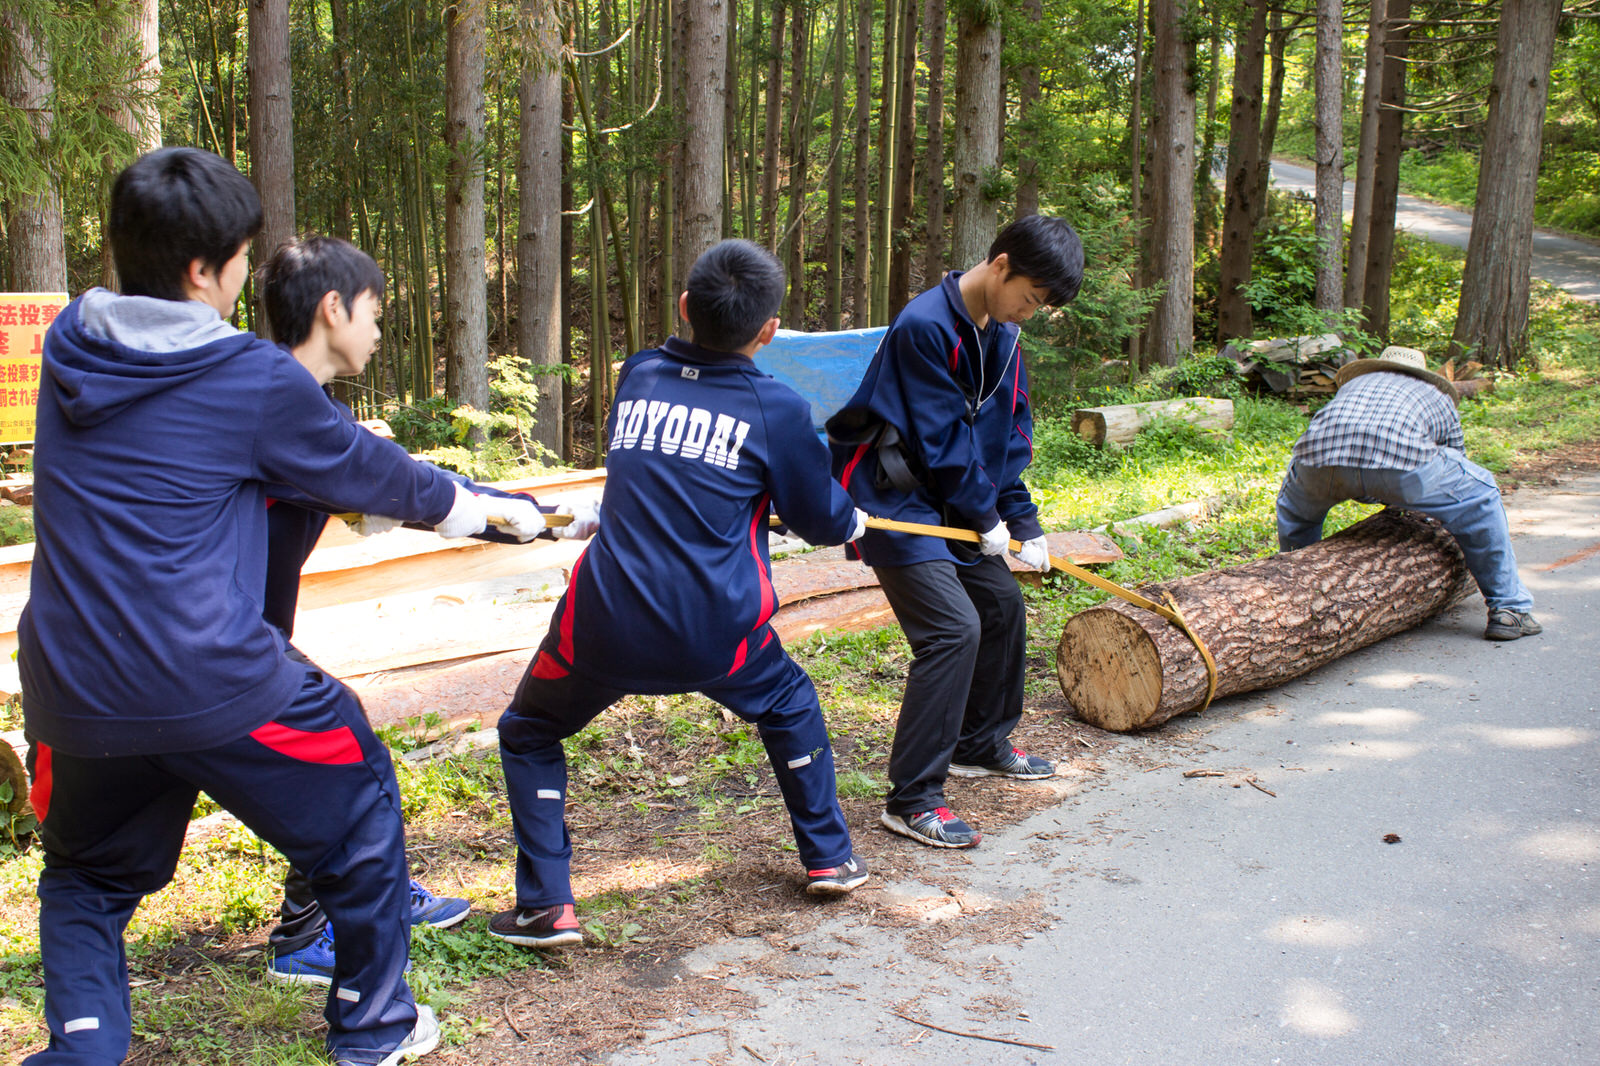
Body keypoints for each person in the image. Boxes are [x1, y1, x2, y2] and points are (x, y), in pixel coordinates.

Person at [19, 148, 531, 1066]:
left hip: (72, 685)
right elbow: (379, 473)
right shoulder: (247, 378)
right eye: (240, 258)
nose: (244, 278)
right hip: (211, 675)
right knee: (361, 801)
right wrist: (498, 513)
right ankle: (373, 1024)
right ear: (200, 271)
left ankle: (82, 1051)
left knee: (87, 879)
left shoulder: (69, 344)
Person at [489, 239, 871, 949]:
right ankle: (830, 857)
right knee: (788, 703)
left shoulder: (638, 373)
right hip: (716, 632)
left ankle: (546, 905)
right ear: (769, 332)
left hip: (604, 623)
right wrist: (848, 515)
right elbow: (821, 521)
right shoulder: (777, 407)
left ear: (686, 307)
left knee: (529, 731)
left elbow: (649, 474)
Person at [253, 235, 597, 984]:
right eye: (374, 311)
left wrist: (555, 514)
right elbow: (423, 491)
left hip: (230, 639)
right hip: (222, 647)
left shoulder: (286, 406)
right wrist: (554, 515)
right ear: (333, 309)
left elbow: (402, 487)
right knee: (341, 755)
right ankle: (314, 933)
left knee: (338, 748)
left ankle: (352, 901)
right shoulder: (284, 408)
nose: (378, 331)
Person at [826, 215, 1085, 849]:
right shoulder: (924, 326)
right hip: (896, 501)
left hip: (956, 503)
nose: (1029, 312)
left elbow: (1006, 434)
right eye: (1029, 296)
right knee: (952, 629)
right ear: (1000, 265)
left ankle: (980, 742)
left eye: (1041, 306)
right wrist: (988, 519)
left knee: (1000, 606)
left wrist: (1022, 520)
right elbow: (941, 442)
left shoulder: (1001, 336)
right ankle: (913, 798)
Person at [1276, 345, 1541, 641]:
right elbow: (1455, 457)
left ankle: (1294, 594)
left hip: (1318, 465)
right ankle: (1510, 608)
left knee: (1296, 514)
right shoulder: (1436, 395)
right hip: (1402, 471)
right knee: (1480, 495)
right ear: (1423, 374)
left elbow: (1352, 446)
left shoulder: (1354, 386)